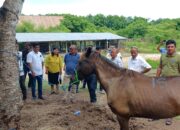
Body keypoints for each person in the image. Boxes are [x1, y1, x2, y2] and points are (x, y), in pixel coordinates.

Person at [156, 39, 180, 125]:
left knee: (170, 100)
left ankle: (169, 117)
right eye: (168, 47)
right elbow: (159, 67)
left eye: (172, 47)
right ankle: (157, 115)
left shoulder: (178, 57)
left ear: (175, 47)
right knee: (159, 98)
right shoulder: (163, 55)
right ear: (166, 47)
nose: (170, 48)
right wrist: (156, 78)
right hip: (163, 80)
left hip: (174, 82)